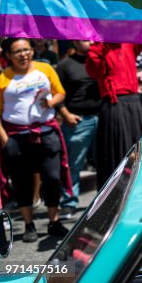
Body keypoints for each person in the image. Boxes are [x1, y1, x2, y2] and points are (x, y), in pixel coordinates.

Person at [0, 38, 70, 243]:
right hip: (16, 137)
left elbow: (60, 92)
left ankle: (54, 221)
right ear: (9, 55)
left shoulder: (44, 69)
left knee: (53, 177)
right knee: (22, 181)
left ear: (32, 51)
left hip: (46, 133)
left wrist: (51, 101)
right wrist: (5, 139)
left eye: (26, 50)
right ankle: (29, 225)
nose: (23, 54)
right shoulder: (3, 78)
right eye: (17, 51)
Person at [87, 42, 142, 184]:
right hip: (115, 104)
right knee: (118, 155)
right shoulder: (98, 49)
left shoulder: (128, 43)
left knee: (139, 153)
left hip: (134, 103)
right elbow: (93, 70)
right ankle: (116, 197)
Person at [55, 39, 100, 218]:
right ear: (75, 42)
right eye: (84, 39)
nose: (89, 41)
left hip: (103, 116)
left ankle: (106, 201)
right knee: (73, 164)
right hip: (78, 120)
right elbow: (56, 93)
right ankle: (68, 202)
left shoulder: (98, 60)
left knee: (106, 162)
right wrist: (66, 114)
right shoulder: (65, 65)